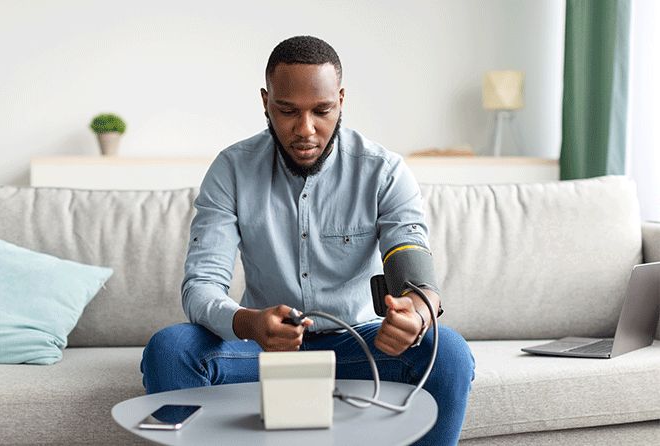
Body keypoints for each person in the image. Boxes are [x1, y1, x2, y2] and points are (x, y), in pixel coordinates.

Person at [141, 35, 475, 445]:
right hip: (264, 347)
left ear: (341, 99)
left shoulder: (384, 172)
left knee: (450, 353)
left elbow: (419, 281)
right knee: (171, 349)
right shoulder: (231, 170)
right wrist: (250, 323)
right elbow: (200, 288)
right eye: (287, 111)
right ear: (265, 102)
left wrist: (417, 315)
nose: (305, 130)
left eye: (322, 111)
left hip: (361, 346)